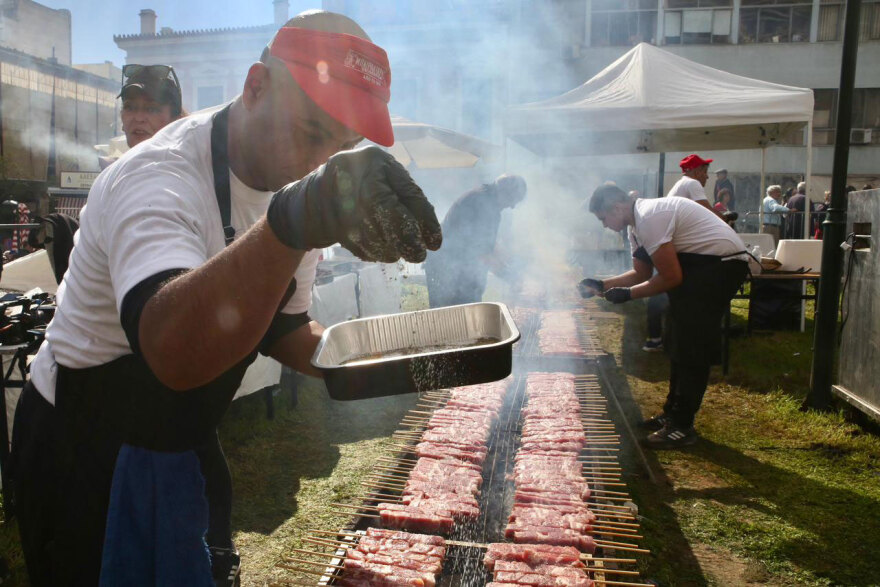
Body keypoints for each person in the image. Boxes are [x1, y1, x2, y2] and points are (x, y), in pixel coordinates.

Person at [10, 11, 441, 587]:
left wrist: (386, 357)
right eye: (313, 132)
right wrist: (291, 223)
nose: (323, 162)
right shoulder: (159, 176)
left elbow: (285, 328)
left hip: (182, 435)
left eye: (342, 144)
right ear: (256, 85)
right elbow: (172, 352)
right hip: (86, 450)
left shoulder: (296, 193)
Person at [579, 185, 748, 448]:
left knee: (692, 341)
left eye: (603, 218)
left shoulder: (648, 218)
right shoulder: (635, 226)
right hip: (700, 265)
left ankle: (681, 426)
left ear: (617, 208)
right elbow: (641, 274)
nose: (603, 225)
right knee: (676, 337)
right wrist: (602, 285)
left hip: (720, 265)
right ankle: (672, 415)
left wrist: (628, 295)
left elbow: (671, 277)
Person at [424, 174, 527, 308]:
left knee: (465, 317)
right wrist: (508, 276)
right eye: (513, 200)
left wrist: (511, 263)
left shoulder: (486, 201)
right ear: (505, 193)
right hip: (447, 270)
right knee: (452, 320)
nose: (512, 206)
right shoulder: (483, 206)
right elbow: (481, 254)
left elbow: (489, 245)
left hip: (455, 268)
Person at [667, 154, 737, 224]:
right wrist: (725, 218)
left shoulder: (682, 182)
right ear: (697, 172)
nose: (707, 176)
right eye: (705, 172)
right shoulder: (692, 183)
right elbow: (707, 211)